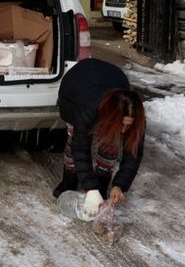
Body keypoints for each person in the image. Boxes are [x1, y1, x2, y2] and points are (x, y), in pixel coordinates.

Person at [54, 58, 146, 217]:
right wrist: (90, 188)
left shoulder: (134, 112)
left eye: (128, 125)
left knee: (111, 143)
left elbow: (133, 153)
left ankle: (101, 186)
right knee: (75, 138)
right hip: (75, 87)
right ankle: (68, 182)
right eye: (121, 124)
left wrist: (119, 185)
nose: (124, 130)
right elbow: (80, 147)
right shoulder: (88, 107)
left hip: (109, 79)